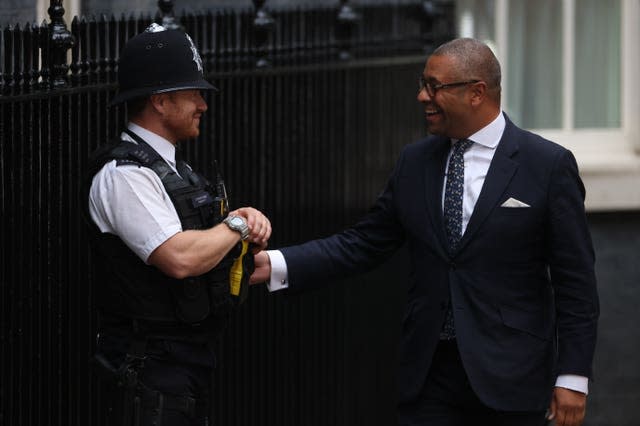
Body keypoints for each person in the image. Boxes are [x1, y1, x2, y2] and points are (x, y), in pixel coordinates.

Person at [251, 38, 598, 426]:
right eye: (423, 83)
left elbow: (576, 284)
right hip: (429, 376)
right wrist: (275, 263)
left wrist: (573, 377)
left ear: (476, 93)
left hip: (511, 378)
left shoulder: (547, 165)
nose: (421, 96)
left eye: (434, 86)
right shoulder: (415, 162)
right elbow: (364, 243)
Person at [81, 24, 271, 426]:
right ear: (161, 101)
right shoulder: (125, 175)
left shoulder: (171, 169)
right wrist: (236, 223)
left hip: (183, 361)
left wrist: (241, 244)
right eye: (194, 94)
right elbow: (179, 258)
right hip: (149, 366)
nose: (203, 104)